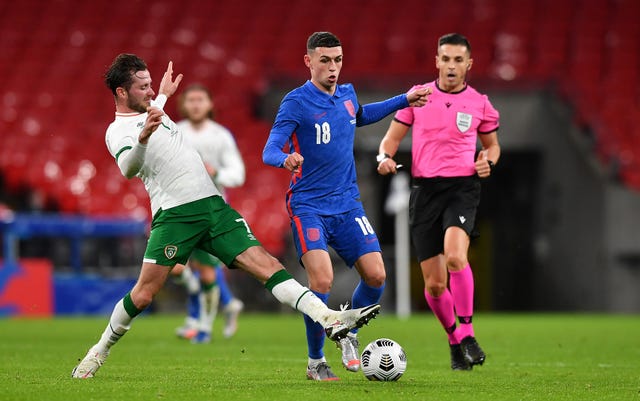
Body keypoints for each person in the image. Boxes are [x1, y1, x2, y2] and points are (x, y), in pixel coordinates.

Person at [71, 54, 381, 379]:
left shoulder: (152, 110)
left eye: (151, 86)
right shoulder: (118, 130)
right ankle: (100, 349)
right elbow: (127, 167)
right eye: (143, 87)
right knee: (145, 293)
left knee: (269, 266)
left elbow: (151, 112)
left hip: (214, 207)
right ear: (122, 93)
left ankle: (328, 318)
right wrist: (145, 136)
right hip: (176, 216)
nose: (150, 92)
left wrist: (162, 94)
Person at [262, 32, 429, 381]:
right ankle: (315, 362)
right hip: (308, 204)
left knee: (377, 275)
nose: (333, 67)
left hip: (348, 205)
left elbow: (361, 115)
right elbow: (270, 149)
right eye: (325, 60)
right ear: (308, 61)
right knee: (320, 280)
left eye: (338, 60)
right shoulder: (295, 102)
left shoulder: (348, 95)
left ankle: (347, 333)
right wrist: (285, 158)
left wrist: (405, 100)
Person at [376, 33, 500, 370]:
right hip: (424, 192)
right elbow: (390, 140)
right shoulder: (418, 98)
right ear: (437, 62)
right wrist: (383, 158)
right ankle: (454, 341)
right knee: (434, 283)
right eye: (445, 59)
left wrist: (487, 159)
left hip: (462, 188)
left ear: (469, 65)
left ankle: (469, 333)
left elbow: (492, 145)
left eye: (458, 60)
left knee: (457, 258)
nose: (451, 65)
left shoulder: (480, 103)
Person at [172, 84, 246, 343]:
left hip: (209, 210)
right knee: (174, 268)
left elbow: (238, 174)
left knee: (205, 271)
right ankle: (222, 306)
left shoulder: (221, 136)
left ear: (210, 104)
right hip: (177, 207)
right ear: (183, 104)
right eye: (190, 100)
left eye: (200, 99)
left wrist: (216, 173)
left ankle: (201, 326)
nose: (195, 104)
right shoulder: (174, 132)